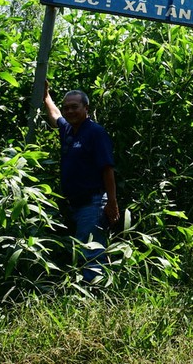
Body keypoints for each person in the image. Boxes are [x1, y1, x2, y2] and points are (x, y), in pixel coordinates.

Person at [43, 81, 120, 281]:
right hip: (75, 205)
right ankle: (97, 290)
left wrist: (112, 202)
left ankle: (94, 294)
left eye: (75, 107)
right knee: (86, 249)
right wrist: (45, 96)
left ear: (86, 108)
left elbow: (107, 169)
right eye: (67, 107)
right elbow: (55, 116)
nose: (69, 111)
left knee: (90, 252)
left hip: (92, 203)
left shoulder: (95, 132)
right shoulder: (68, 130)